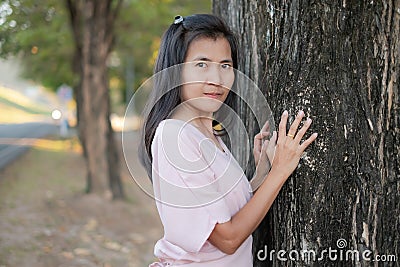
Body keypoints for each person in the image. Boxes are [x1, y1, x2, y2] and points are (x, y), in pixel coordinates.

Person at [139, 14, 318, 266]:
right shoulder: (174, 136)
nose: (216, 79)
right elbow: (227, 239)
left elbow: (227, 216)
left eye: (225, 65)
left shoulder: (207, 134)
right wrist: (280, 171)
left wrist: (262, 174)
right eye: (202, 64)